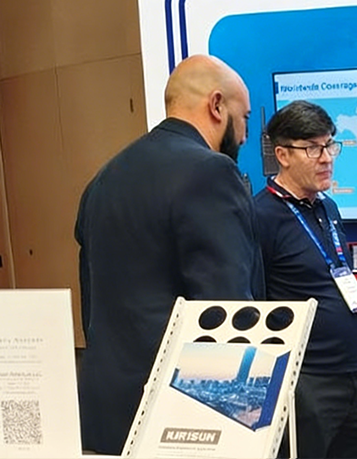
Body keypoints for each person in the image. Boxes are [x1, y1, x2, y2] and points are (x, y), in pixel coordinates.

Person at [75, 55, 264, 454]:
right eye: (245, 118)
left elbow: (91, 302)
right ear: (217, 105)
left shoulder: (103, 179)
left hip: (107, 411)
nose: (246, 135)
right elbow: (227, 310)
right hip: (183, 417)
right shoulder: (211, 173)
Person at [252, 100, 357, 459]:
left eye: (329, 145)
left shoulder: (327, 207)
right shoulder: (261, 216)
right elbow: (254, 300)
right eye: (312, 148)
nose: (326, 158)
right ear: (282, 155)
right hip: (308, 382)